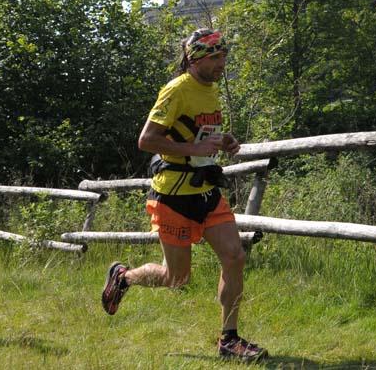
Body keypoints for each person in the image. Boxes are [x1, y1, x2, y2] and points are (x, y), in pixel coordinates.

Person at [100, 28, 267, 361]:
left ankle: (229, 340)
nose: (222, 63)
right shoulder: (176, 90)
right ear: (196, 58)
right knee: (176, 277)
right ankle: (124, 277)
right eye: (216, 58)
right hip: (173, 194)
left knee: (235, 257)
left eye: (224, 57)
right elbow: (147, 140)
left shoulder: (211, 89)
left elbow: (203, 133)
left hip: (206, 190)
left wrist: (225, 141)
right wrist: (194, 147)